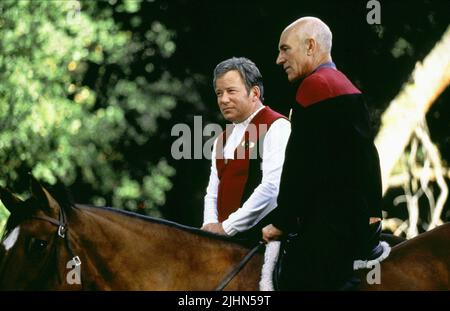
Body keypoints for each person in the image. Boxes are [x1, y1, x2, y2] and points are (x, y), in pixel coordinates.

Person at [263, 17, 383, 290]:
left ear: (310, 46)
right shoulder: (344, 84)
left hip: (327, 231)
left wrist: (282, 221)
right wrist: (374, 212)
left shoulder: (315, 87)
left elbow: (300, 166)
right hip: (352, 224)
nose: (279, 60)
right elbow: (368, 157)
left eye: (285, 49)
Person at [201, 57, 291, 242]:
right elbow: (212, 192)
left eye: (231, 91)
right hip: (223, 245)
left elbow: (272, 188)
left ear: (254, 93)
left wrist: (226, 228)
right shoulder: (222, 139)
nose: (223, 99)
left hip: (262, 245)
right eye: (219, 93)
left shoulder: (277, 126)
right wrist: (210, 226)